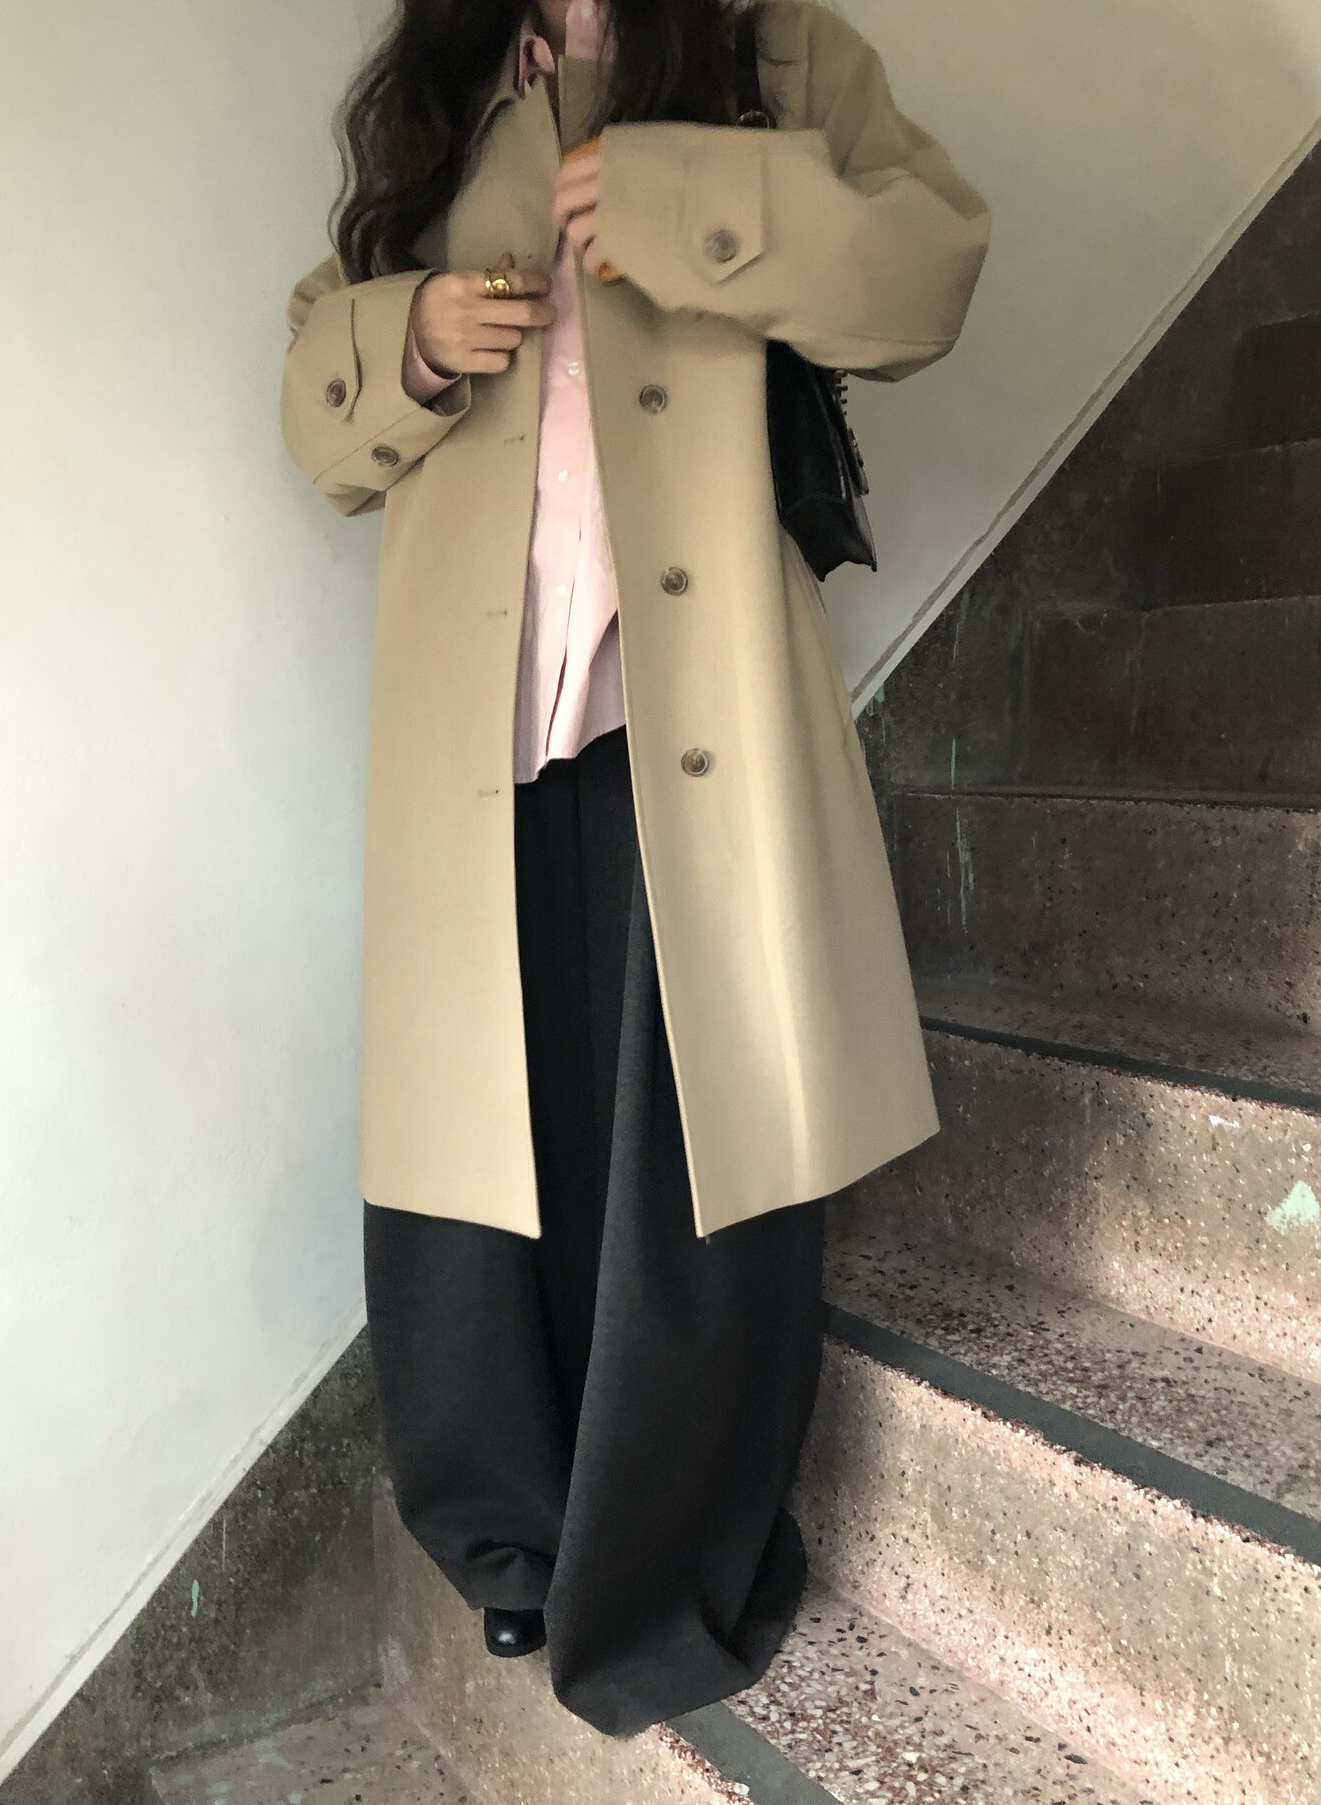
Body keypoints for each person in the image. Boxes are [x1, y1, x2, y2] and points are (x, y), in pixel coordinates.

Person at [280, 0, 989, 1739]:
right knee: (483, 1145)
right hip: (484, 721)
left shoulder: (772, 48)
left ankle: (672, 1552)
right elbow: (312, 402)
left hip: (697, 703)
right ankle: (512, 1538)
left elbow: (928, 270)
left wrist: (690, 198)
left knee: (697, 1151)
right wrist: (409, 336)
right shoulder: (442, 93)